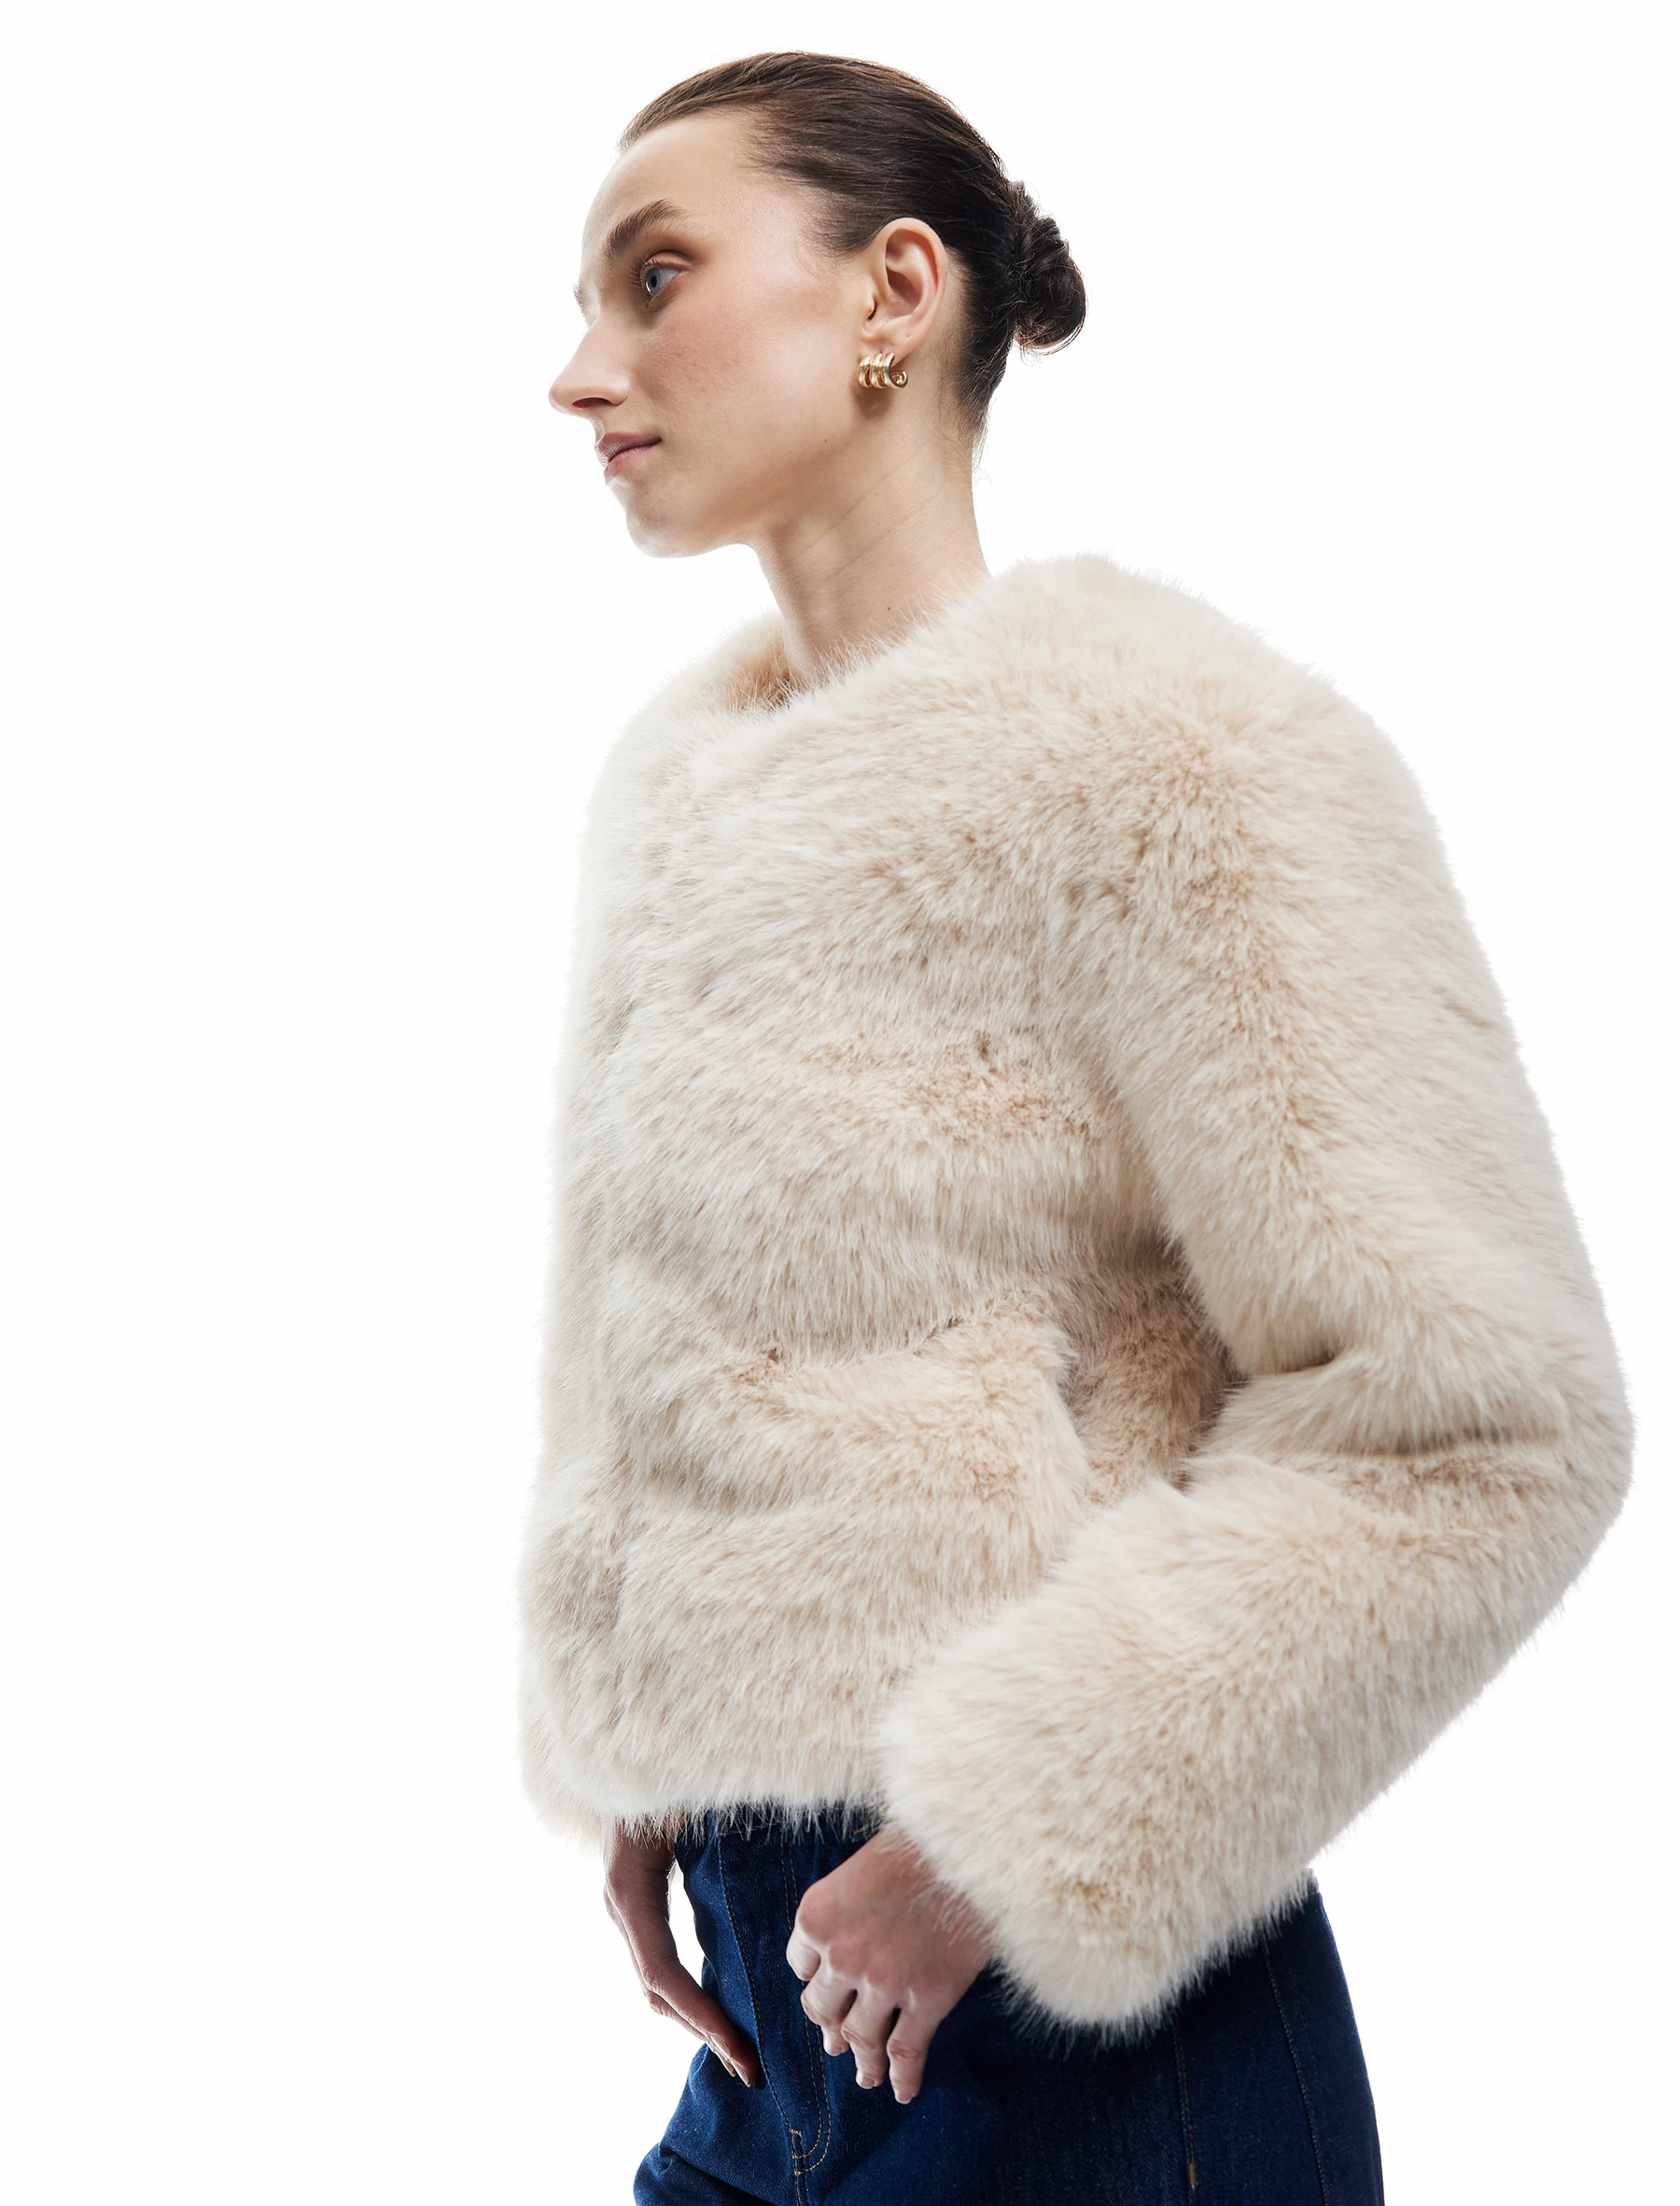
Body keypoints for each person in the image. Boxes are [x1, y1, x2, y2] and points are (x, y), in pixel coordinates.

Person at [522, 50, 1631, 2206]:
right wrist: (677, 1728)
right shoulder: (686, 791)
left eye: (653, 278)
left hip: (1086, 2042)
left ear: (892, 293)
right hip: (768, 2013)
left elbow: (1488, 1422)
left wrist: (998, 1833)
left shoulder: (1181, 763)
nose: (581, 370)